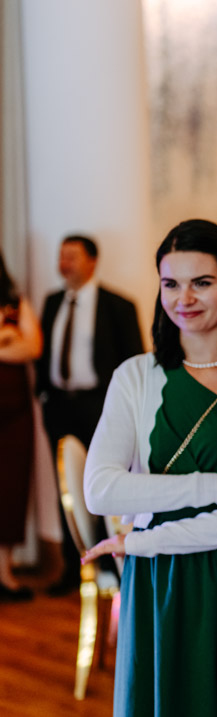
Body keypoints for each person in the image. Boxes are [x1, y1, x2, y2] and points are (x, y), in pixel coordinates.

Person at [82, 219, 217, 717]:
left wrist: (144, 539)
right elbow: (100, 490)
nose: (185, 298)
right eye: (171, 284)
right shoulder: (134, 376)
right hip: (160, 582)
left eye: (202, 282)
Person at [37, 234, 143, 594]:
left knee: (103, 481)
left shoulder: (118, 305)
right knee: (66, 486)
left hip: (100, 406)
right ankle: (73, 569)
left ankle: (108, 564)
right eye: (61, 256)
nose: (64, 263)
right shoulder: (52, 302)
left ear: (92, 261)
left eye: (72, 256)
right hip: (59, 405)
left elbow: (133, 359)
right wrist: (44, 394)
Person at [0, 251, 43, 602]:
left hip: (14, 414)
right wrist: (6, 339)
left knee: (11, 491)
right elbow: (17, 344)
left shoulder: (16, 304)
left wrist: (15, 340)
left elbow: (33, 347)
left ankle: (5, 572)